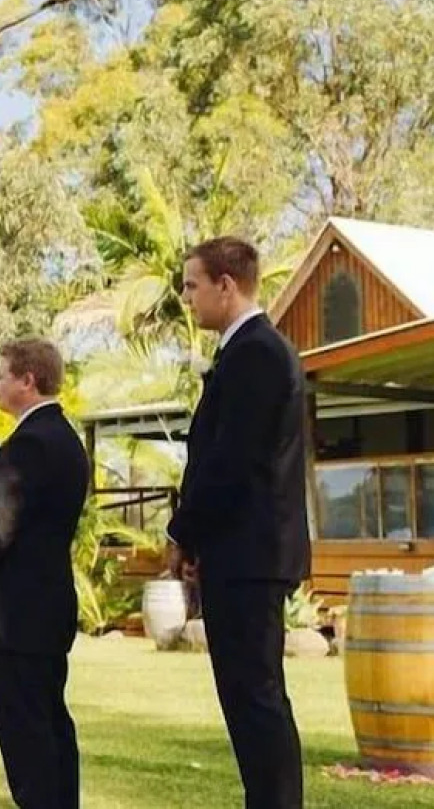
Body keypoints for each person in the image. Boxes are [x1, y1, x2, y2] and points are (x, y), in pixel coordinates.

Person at [168, 236, 308, 809]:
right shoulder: (248, 352)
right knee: (251, 699)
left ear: (227, 285)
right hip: (242, 553)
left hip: (250, 557)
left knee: (255, 699)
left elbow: (231, 460)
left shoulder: (256, 354)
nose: (186, 297)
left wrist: (183, 531)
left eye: (192, 285)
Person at [0, 338, 89, 809]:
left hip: (17, 614)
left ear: (28, 381)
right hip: (48, 608)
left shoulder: (30, 443)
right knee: (50, 728)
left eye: (1, 375)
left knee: (26, 738)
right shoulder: (66, 439)